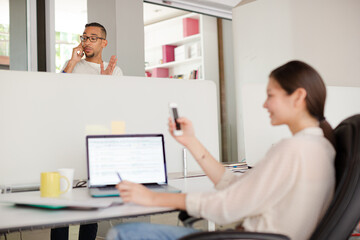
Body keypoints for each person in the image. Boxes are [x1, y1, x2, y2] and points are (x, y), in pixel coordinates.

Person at [106, 60, 336, 240]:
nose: (264, 104)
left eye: (270, 95)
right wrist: (192, 142)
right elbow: (236, 189)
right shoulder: (320, 147)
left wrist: (153, 198)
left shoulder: (293, 150)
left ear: (298, 96)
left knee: (125, 233)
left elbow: (227, 207)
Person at [52, 22, 122, 240]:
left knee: (92, 199)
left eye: (93, 38)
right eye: (84, 37)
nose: (87, 42)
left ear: (104, 43)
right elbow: (55, 93)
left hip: (95, 138)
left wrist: (105, 84)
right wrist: (72, 62)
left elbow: (112, 108)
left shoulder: (115, 71)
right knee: (62, 197)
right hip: (67, 135)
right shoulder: (72, 65)